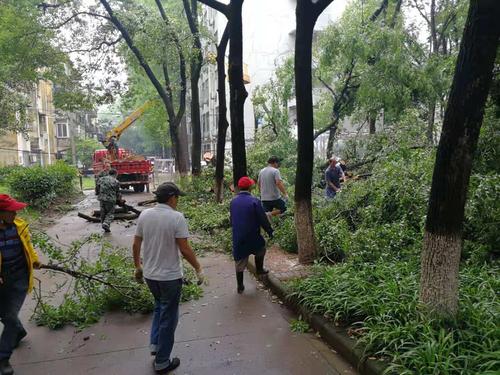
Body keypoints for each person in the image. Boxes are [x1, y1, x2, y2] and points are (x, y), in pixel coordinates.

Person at [132, 182, 205, 374]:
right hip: (169, 278)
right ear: (172, 198)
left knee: (159, 307)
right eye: (177, 197)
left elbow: (136, 243)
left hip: (150, 275)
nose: (178, 201)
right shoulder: (176, 217)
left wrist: (138, 267)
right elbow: (185, 249)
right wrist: (198, 268)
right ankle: (162, 361)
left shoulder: (145, 215)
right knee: (169, 317)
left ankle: (155, 345)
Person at [0, 195, 41, 375]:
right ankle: (19, 331)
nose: (15, 213)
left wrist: (34, 260)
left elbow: (28, 246)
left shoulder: (19, 226)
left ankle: (3, 358)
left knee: (9, 317)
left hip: (19, 278)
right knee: (4, 314)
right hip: (2, 280)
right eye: (11, 211)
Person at [230, 176, 273, 294]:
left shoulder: (233, 201)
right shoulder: (255, 201)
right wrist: (270, 231)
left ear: (239, 188)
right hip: (253, 235)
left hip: (239, 236)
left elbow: (231, 219)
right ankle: (259, 269)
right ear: (250, 187)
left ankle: (240, 285)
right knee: (261, 249)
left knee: (239, 261)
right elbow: (262, 219)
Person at [96, 168, 120, 233]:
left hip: (102, 199)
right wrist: (119, 199)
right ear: (115, 174)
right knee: (110, 213)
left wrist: (98, 193)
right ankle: (106, 223)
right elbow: (118, 192)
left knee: (103, 212)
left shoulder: (101, 179)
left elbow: (97, 187)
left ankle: (105, 226)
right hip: (110, 200)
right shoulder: (116, 181)